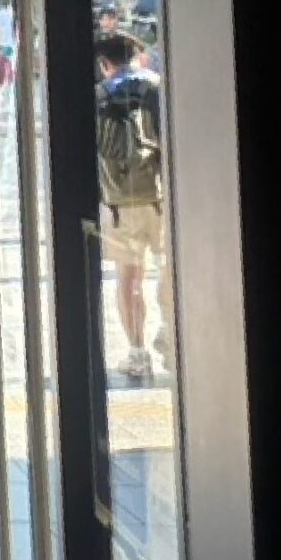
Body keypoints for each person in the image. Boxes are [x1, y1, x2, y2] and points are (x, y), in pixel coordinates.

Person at [96, 30, 172, 380]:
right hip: (159, 198)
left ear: (105, 63)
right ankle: (170, 335)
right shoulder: (156, 87)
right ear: (136, 58)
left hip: (119, 203)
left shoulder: (99, 95)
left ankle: (137, 353)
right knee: (168, 269)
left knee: (129, 278)